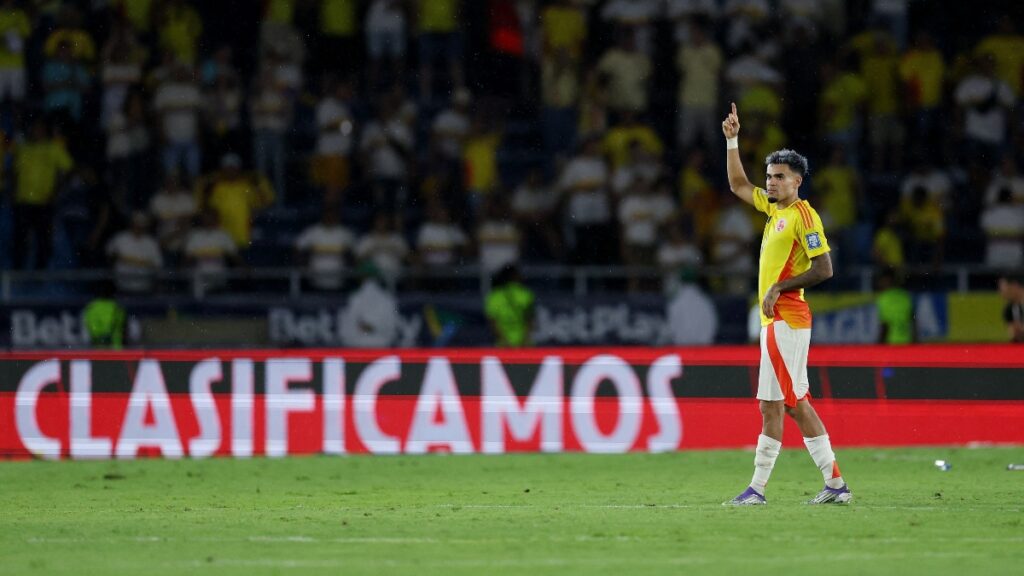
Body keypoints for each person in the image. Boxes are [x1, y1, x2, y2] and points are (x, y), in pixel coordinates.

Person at [720, 103, 852, 506]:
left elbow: (824, 267)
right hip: (772, 321)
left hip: (788, 318)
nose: (771, 182)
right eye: (770, 176)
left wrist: (781, 287)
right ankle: (757, 490)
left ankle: (835, 482)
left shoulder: (803, 215)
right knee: (770, 405)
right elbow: (739, 186)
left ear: (797, 181)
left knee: (794, 402)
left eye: (779, 177)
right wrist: (733, 141)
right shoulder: (773, 211)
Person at [484, 264, 535, 347]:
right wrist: (524, 340)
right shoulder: (526, 294)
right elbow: (530, 319)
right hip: (524, 345)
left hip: (503, 345)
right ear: (515, 277)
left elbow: (492, 322)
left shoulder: (494, 296)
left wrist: (504, 340)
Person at [876, 267, 914, 345]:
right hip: (907, 342)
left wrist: (879, 346)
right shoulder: (905, 296)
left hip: (891, 342)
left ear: (888, 280)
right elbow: (913, 321)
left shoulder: (883, 298)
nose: (879, 283)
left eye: (882, 280)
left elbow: (885, 325)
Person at [83, 281, 127, 349]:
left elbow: (92, 330)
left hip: (98, 351)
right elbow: (123, 328)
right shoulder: (117, 308)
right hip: (116, 351)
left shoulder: (91, 308)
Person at [997, 273, 1024, 343]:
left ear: (1014, 285)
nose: (1001, 292)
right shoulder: (1009, 310)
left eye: (1003, 287)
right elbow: (1017, 337)